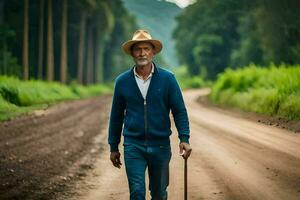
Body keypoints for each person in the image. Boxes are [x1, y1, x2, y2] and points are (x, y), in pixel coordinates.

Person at [108, 29, 192, 200]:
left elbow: (179, 110)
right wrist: (113, 147)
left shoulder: (168, 79)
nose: (142, 53)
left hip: (160, 146)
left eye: (146, 48)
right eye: (138, 49)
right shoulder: (122, 82)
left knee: (159, 194)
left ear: (153, 52)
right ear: (132, 53)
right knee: (137, 193)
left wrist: (184, 138)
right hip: (133, 146)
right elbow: (116, 116)